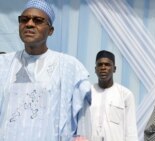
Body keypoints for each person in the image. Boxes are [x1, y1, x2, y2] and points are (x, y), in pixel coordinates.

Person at [0, 0, 91, 141]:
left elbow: (83, 125)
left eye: (38, 20)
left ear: (50, 30)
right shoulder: (3, 64)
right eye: (24, 19)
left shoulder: (69, 67)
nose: (29, 24)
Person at [79, 50, 138, 141]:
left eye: (107, 65)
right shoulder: (87, 93)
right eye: (100, 65)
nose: (103, 67)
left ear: (114, 69)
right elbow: (81, 127)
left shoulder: (126, 95)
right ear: (95, 69)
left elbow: (131, 132)